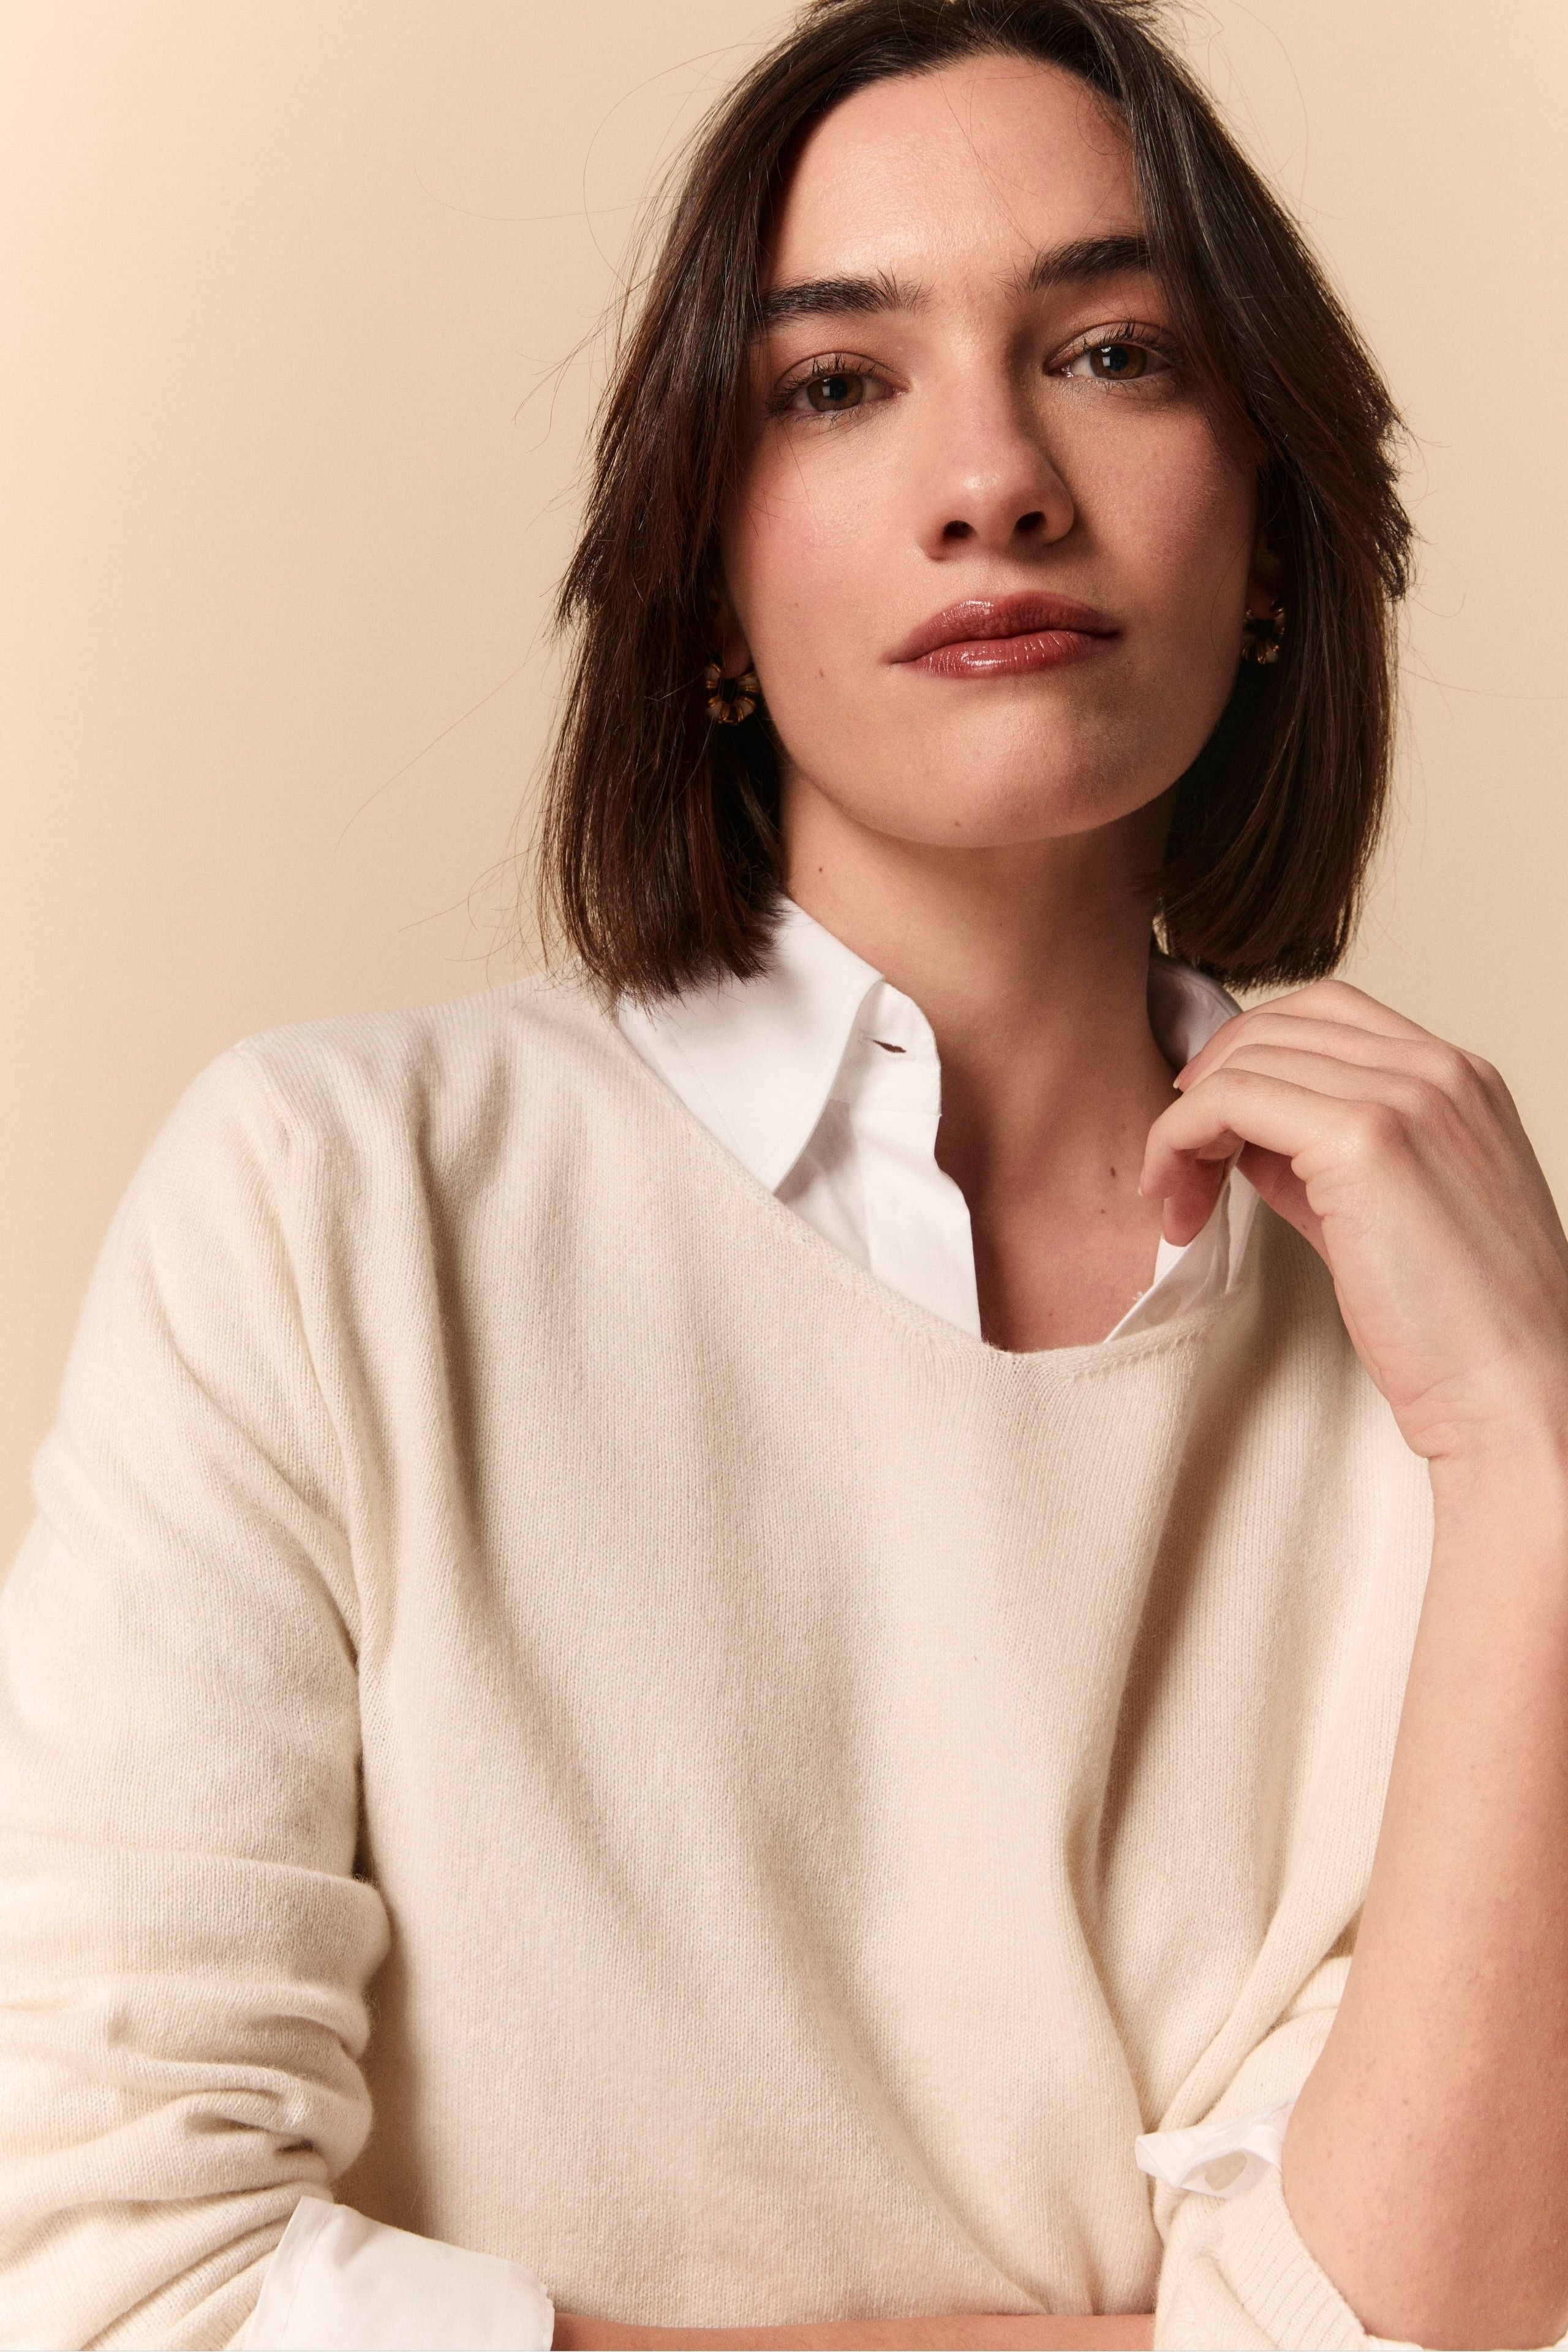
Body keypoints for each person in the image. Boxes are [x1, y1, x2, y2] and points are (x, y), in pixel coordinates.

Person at [4, 1, 1567, 2346]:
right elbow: (104, 2279)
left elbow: (1434, 2317)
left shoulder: (1457, 1350)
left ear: (1271, 523)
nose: (994, 481)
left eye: (1115, 351)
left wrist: (1536, 1464)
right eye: (837, 383)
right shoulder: (338, 1209)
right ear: (707, 576)